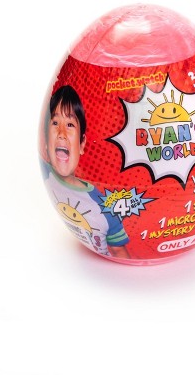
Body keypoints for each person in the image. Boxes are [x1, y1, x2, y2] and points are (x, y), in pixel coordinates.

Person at [42, 85, 130, 259]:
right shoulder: (47, 175)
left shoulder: (102, 206)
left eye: (70, 125)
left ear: (82, 144)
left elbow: (119, 251)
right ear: (45, 141)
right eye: (55, 123)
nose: (61, 133)